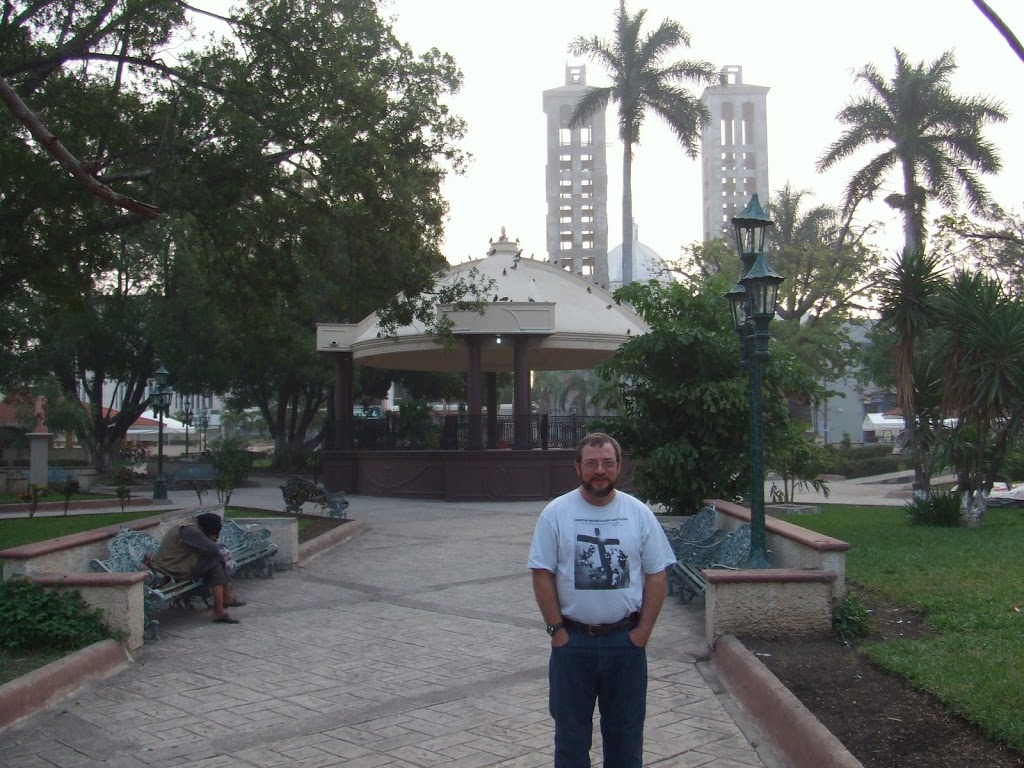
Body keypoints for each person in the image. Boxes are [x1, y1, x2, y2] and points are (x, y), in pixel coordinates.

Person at [527, 432, 676, 768]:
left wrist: (643, 633)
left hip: (625, 645)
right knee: (570, 740)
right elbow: (541, 573)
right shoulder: (556, 513)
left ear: (619, 467)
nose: (600, 470)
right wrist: (557, 632)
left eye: (608, 463)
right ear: (577, 467)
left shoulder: (638, 514)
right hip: (573, 645)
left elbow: (657, 574)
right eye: (591, 463)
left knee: (625, 740)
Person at [150, 512, 245, 624]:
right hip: (171, 567)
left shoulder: (193, 525)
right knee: (216, 559)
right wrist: (212, 541)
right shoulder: (191, 531)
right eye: (214, 534)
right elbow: (213, 548)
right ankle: (224, 602)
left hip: (180, 562)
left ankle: (222, 606)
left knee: (216, 562)